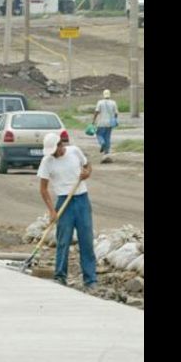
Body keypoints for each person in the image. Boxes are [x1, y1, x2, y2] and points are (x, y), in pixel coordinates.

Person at [37, 132, 97, 290]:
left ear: (60, 145)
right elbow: (43, 189)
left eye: (54, 150)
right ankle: (60, 276)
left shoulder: (75, 151)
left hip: (82, 199)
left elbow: (87, 165)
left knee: (87, 241)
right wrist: (51, 211)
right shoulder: (47, 161)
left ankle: (90, 280)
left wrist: (87, 173)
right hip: (64, 202)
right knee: (63, 241)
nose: (53, 154)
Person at [92, 89, 119, 159]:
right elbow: (116, 113)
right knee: (107, 137)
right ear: (110, 95)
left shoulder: (100, 102)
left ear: (103, 95)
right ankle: (106, 153)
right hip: (109, 123)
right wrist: (114, 120)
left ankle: (102, 143)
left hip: (101, 123)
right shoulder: (113, 103)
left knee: (99, 134)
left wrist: (93, 120)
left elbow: (96, 112)